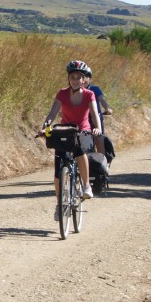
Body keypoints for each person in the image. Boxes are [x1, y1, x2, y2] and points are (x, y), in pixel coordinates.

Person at [41, 60, 102, 220]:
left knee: (80, 149)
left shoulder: (89, 94)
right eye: (72, 77)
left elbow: (94, 113)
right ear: (69, 79)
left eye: (78, 78)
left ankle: (86, 185)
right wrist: (45, 127)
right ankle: (59, 204)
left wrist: (97, 127)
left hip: (83, 131)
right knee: (57, 171)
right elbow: (52, 113)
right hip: (66, 130)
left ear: (84, 80)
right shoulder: (62, 93)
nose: (75, 80)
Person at [82, 66, 112, 155]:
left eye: (85, 77)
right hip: (82, 119)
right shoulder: (76, 91)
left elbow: (102, 99)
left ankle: (102, 164)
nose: (83, 80)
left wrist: (107, 108)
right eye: (81, 77)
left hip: (95, 118)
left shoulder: (94, 89)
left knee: (99, 142)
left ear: (90, 79)